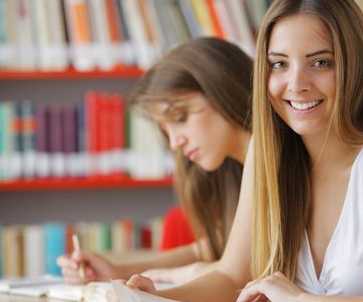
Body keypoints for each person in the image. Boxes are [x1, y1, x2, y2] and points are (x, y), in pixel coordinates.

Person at [108, 0, 363, 302]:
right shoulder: (268, 161)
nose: (296, 84)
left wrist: (299, 299)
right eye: (279, 65)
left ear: (354, 68)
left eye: (321, 62)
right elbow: (231, 277)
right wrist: (155, 300)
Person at [57, 37, 252, 285]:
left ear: (224, 90)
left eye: (180, 118)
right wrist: (119, 271)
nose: (174, 143)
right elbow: (210, 248)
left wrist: (179, 275)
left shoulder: (274, 160)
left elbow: (240, 270)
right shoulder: (235, 170)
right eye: (165, 130)